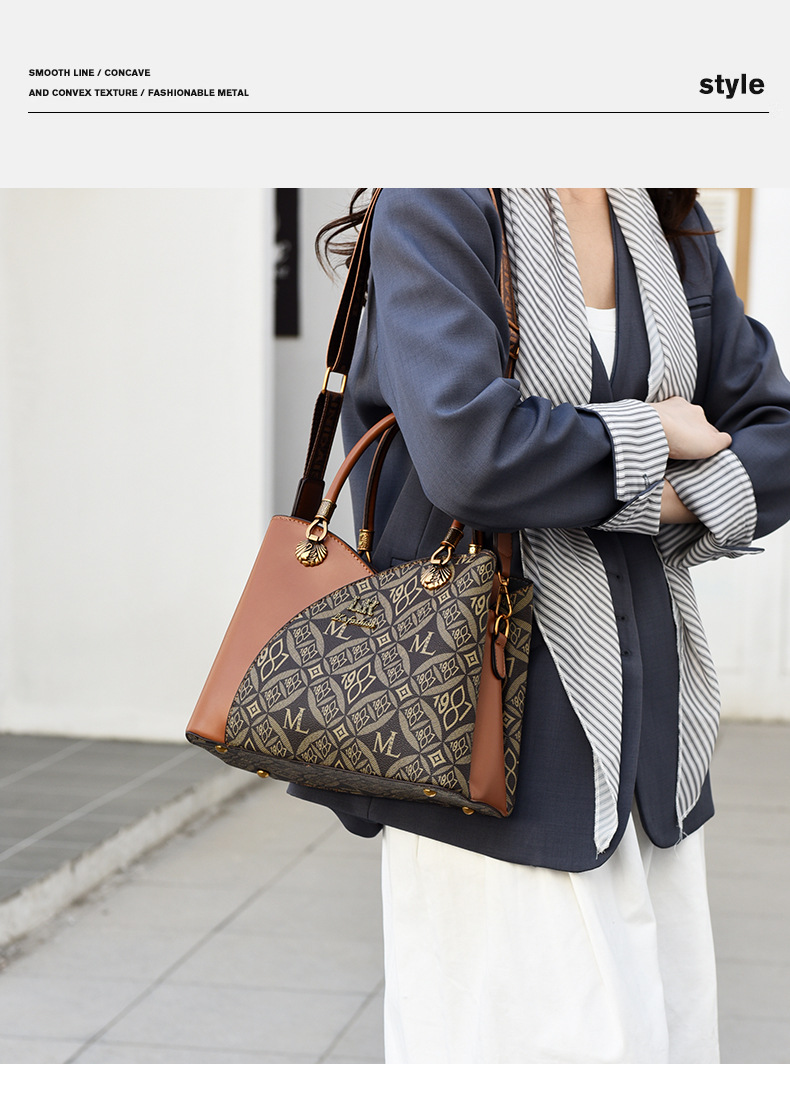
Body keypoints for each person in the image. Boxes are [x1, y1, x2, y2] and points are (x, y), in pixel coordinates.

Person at [288, 188, 790, 1064]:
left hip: (654, 754)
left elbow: (776, 435)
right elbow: (472, 456)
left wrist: (631, 487)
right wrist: (654, 434)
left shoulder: (666, 218)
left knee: (665, 1047)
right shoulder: (439, 200)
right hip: (488, 751)